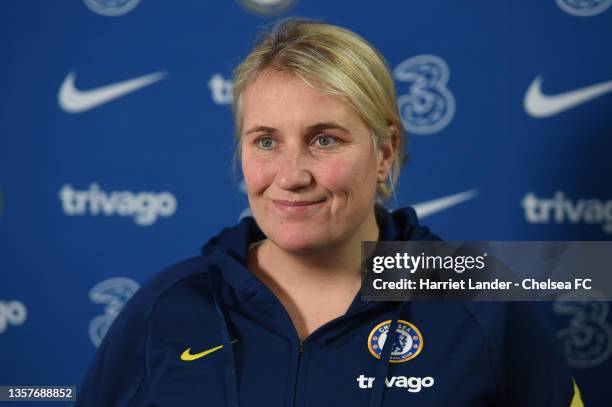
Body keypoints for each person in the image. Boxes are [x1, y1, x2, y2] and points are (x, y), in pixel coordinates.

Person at [76, 18, 583, 406]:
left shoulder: (481, 300)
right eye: (266, 141)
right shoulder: (168, 305)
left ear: (385, 153)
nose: (291, 174)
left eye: (324, 139)